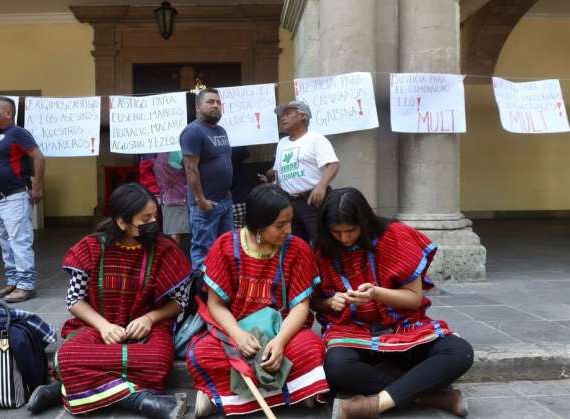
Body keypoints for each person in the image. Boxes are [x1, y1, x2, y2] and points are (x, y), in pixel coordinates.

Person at [28, 183, 191, 418]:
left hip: (150, 330)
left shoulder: (166, 250)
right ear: (122, 221)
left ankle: (66, 389)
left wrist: (149, 317)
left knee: (157, 362)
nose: (154, 222)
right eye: (146, 218)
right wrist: (104, 326)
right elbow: (75, 300)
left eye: (155, 215)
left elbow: (180, 301)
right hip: (97, 325)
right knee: (65, 357)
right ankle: (136, 399)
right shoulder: (91, 248)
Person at [311, 188, 473, 419]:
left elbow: (413, 298)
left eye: (351, 230)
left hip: (404, 327)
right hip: (354, 332)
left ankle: (372, 406)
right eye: (337, 232)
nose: (344, 238)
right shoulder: (323, 249)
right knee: (336, 367)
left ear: (365, 221)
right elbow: (315, 301)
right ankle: (430, 396)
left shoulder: (396, 236)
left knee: (459, 352)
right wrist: (330, 302)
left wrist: (376, 293)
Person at [187, 184, 329, 417]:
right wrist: (239, 336)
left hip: (281, 329)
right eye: (280, 225)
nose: (288, 230)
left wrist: (280, 342)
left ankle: (222, 398)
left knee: (311, 347)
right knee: (200, 354)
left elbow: (300, 306)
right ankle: (297, 392)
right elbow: (216, 304)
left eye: (290, 222)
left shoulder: (298, 249)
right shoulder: (224, 247)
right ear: (258, 224)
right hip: (237, 331)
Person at [0, 96, 45, 303]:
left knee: (19, 242)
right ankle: (13, 281)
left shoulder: (17, 133)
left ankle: (26, 286)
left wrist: (37, 187)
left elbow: (39, 158)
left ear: (8, 113)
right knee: (5, 243)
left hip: (15, 197)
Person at [265, 100, 339, 246]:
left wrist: (321, 186)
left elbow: (333, 164)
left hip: (312, 200)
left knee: (322, 241)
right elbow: (277, 170)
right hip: (289, 202)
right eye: (282, 115)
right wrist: (271, 175)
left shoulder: (315, 138)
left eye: (288, 113)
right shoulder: (282, 143)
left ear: (303, 116)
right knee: (295, 243)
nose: (283, 118)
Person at [180, 88, 234, 270]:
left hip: (224, 201)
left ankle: (222, 289)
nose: (216, 106)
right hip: (206, 204)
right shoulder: (193, 131)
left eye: (218, 103)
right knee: (204, 253)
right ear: (197, 107)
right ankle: (201, 293)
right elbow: (191, 168)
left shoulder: (221, 130)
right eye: (210, 102)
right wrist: (200, 199)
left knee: (226, 249)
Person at [153, 151, 190, 243]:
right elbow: (190, 169)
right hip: (178, 199)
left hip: (168, 198)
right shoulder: (176, 153)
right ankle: (174, 255)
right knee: (175, 235)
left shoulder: (159, 156)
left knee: (173, 234)